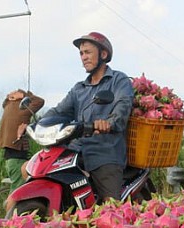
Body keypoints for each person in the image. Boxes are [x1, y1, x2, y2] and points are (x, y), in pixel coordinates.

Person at [41, 32, 132, 203]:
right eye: (81, 53)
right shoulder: (79, 88)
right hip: (75, 151)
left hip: (105, 153)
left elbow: (123, 107)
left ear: (103, 54)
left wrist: (109, 123)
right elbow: (59, 111)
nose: (84, 57)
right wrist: (35, 125)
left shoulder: (119, 80)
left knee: (111, 209)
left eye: (88, 52)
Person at [0, 88, 45, 186]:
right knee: (19, 189)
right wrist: (23, 95)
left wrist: (11, 97)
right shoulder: (23, 110)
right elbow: (40, 101)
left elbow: (5, 102)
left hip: (10, 154)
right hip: (17, 155)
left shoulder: (8, 106)